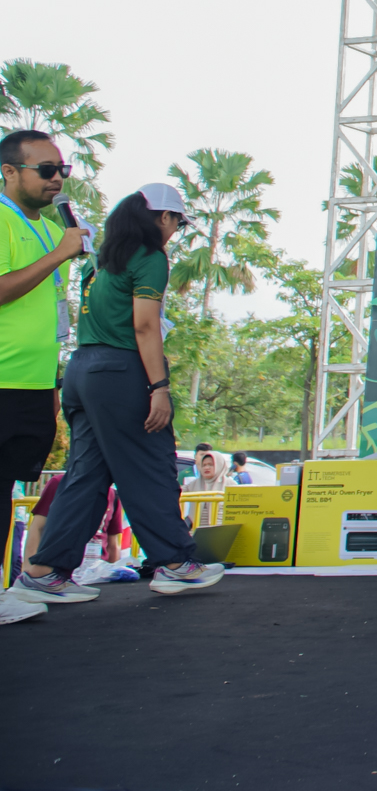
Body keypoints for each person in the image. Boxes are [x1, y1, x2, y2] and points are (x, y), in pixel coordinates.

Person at [11, 185, 223, 602]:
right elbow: (144, 325)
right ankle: (175, 564)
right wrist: (159, 387)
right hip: (120, 372)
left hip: (81, 370)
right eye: (178, 222)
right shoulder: (150, 257)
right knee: (150, 466)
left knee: (86, 475)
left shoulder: (101, 262)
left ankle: (44, 572)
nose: (176, 230)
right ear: (162, 217)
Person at [0, 130, 87, 504]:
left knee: (6, 494)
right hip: (2, 381)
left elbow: (53, 313)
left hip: (35, 388)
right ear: (10, 171)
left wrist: (52, 384)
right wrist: (59, 254)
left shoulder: (55, 232)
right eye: (46, 169)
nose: (57, 178)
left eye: (62, 170)